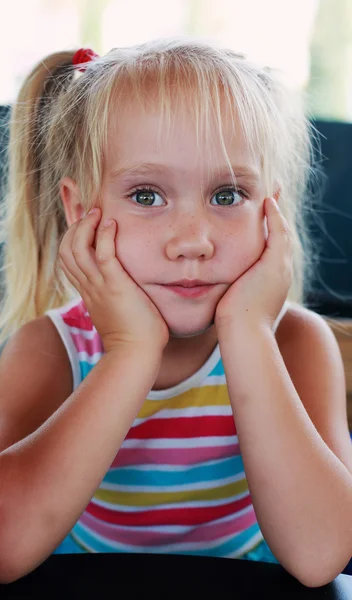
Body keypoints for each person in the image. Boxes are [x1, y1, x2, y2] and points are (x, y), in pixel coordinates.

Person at [0, 38, 351, 587]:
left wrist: (248, 332)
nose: (193, 242)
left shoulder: (295, 343)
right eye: (146, 196)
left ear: (272, 214)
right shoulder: (51, 349)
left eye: (228, 194)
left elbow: (319, 557)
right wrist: (131, 351)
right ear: (78, 211)